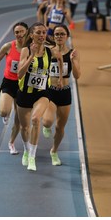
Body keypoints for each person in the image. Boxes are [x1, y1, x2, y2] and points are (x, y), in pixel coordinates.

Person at [16, 22, 63, 171]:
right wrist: (30, 57)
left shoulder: (51, 51)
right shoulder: (25, 50)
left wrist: (60, 77)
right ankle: (25, 148)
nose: (42, 35)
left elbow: (62, 58)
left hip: (42, 92)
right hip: (24, 93)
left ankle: (32, 156)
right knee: (24, 128)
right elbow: (19, 74)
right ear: (31, 35)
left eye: (44, 33)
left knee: (36, 119)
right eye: (38, 33)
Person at [42, 24, 81, 166]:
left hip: (64, 93)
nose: (59, 37)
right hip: (50, 91)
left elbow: (77, 76)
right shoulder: (48, 52)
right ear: (53, 37)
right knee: (47, 121)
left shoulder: (73, 53)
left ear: (67, 36)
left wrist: (72, 61)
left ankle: (54, 151)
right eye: (57, 34)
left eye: (62, 34)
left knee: (60, 128)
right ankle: (45, 126)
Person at [0, 22, 28, 155]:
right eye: (16, 32)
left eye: (21, 31)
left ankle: (11, 143)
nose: (19, 34)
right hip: (8, 83)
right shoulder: (8, 46)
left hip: (23, 85)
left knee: (19, 119)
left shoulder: (30, 48)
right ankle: (6, 112)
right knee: (3, 112)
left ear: (27, 32)